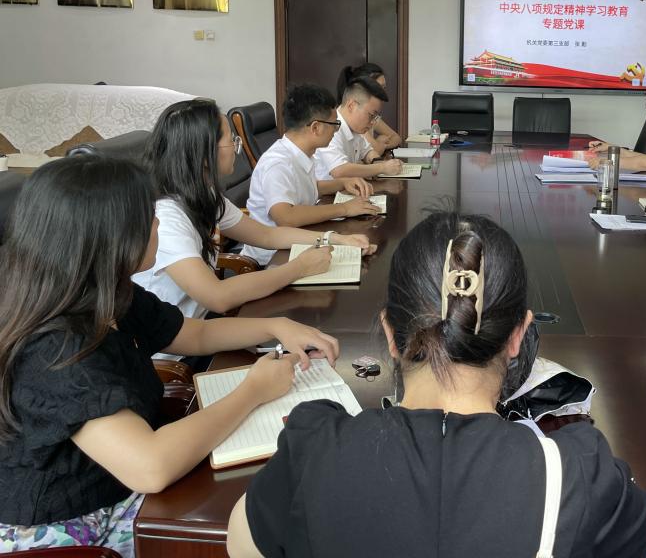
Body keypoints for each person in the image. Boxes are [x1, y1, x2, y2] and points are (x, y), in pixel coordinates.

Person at [226, 213, 646, 558]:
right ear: (518, 337)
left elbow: (240, 539)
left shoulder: (314, 451)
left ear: (390, 334)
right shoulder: (575, 477)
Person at [0, 155, 339, 556]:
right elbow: (151, 466)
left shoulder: (109, 292)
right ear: (111, 237)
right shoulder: (55, 348)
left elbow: (195, 334)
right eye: (148, 217)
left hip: (124, 477)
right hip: (73, 525)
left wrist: (276, 326)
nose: (158, 224)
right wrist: (253, 390)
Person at [133, 99, 375, 327]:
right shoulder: (167, 219)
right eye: (231, 140)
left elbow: (267, 235)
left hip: (202, 324)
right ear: (204, 155)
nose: (236, 149)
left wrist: (334, 238)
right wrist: (300, 268)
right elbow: (218, 297)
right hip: (178, 346)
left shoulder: (204, 195)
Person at [242, 84, 381, 266]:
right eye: (335, 124)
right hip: (271, 260)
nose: (336, 130)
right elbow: (285, 216)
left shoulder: (301, 153)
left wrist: (343, 183)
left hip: (297, 242)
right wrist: (345, 208)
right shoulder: (278, 163)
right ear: (316, 128)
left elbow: (307, 187)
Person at [314, 77, 403, 180]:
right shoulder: (331, 127)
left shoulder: (355, 128)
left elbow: (368, 152)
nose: (373, 122)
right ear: (351, 105)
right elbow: (339, 170)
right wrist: (382, 167)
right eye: (371, 115)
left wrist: (382, 163)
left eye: (376, 117)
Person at [336, 62, 404, 155]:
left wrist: (381, 145)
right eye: (378, 87)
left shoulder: (369, 117)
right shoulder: (354, 121)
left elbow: (396, 138)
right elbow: (375, 149)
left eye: (384, 88)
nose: (382, 92)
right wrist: (379, 143)